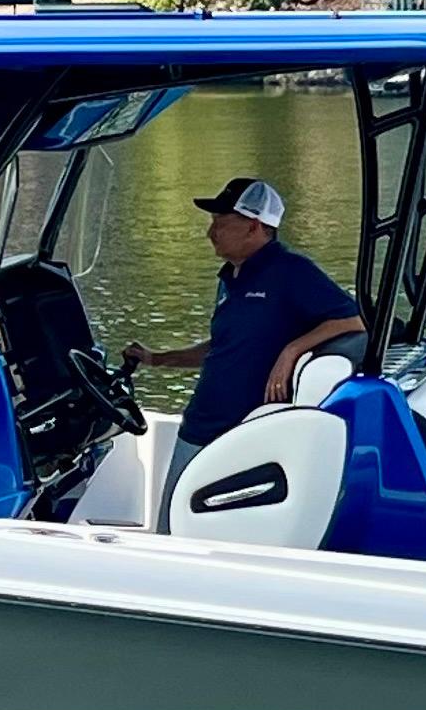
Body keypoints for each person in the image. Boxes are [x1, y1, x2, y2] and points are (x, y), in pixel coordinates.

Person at [124, 178, 364, 523]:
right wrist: (157, 359)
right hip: (200, 426)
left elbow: (354, 320)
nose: (211, 232)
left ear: (254, 227)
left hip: (242, 434)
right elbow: (224, 347)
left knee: (191, 532)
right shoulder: (230, 278)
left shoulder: (291, 271)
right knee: (170, 527)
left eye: (221, 223)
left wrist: (291, 352)